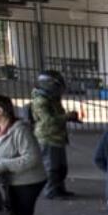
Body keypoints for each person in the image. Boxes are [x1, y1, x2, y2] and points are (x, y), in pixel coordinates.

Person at [30, 69, 77, 200]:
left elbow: (57, 115)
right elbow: (47, 120)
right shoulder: (40, 100)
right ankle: (51, 190)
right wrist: (66, 117)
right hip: (47, 137)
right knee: (52, 167)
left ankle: (59, 188)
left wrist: (69, 117)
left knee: (61, 167)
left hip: (57, 135)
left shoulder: (51, 98)